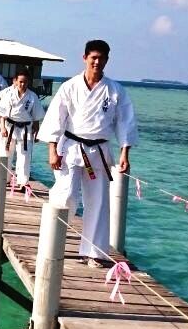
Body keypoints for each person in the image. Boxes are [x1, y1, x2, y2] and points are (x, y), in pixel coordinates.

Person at [38, 39, 138, 267]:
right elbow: (56, 118)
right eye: (93, 57)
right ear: (84, 58)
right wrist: (52, 150)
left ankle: (93, 253)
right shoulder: (70, 86)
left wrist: (125, 153)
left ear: (107, 60)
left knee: (99, 202)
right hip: (71, 148)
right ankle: (53, 240)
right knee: (66, 195)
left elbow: (125, 123)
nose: (97, 62)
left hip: (100, 150)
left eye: (102, 58)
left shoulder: (115, 90)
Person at [0, 71, 43, 190]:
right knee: (6, 153)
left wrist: (37, 131)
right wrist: (2, 127)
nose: (23, 84)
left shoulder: (32, 96)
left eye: (25, 82)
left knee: (25, 155)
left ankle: (23, 182)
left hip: (26, 129)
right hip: (9, 127)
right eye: (20, 82)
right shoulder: (9, 94)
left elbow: (36, 116)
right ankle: (4, 178)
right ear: (15, 81)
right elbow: (2, 114)